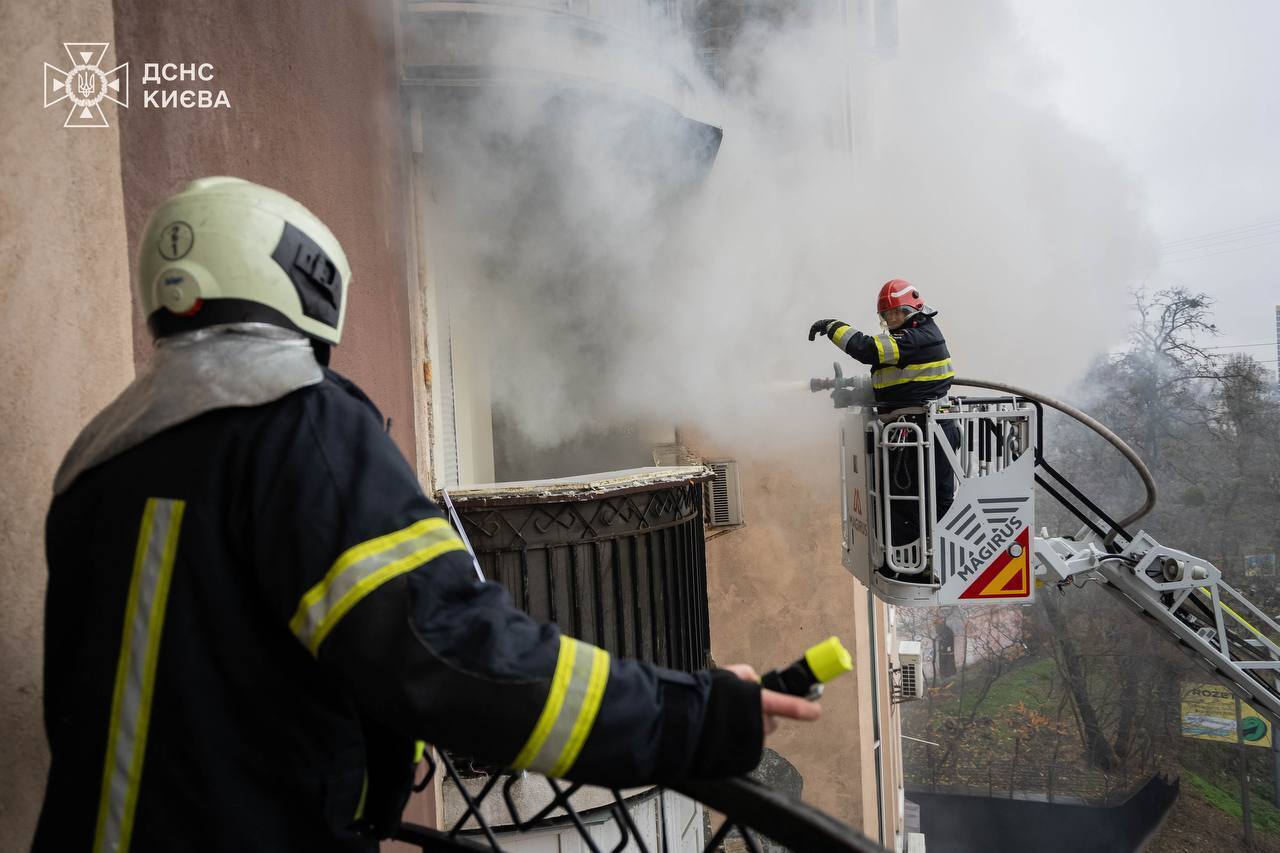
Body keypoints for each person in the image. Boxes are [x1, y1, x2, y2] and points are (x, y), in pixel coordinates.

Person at [34, 177, 818, 852]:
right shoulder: (301, 427)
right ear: (305, 282)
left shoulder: (96, 462)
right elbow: (455, 655)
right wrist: (693, 712)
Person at [808, 279, 960, 567]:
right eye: (887, 316)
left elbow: (867, 350)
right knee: (906, 501)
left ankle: (922, 564)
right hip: (916, 433)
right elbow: (897, 386)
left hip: (926, 434)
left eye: (897, 314)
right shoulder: (909, 338)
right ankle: (914, 561)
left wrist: (832, 327)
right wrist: (853, 396)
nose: (892, 320)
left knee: (920, 503)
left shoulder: (917, 338)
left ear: (913, 310)